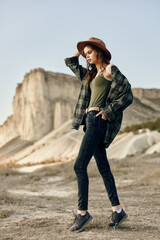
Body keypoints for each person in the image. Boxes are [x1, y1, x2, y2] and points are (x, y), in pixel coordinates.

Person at [64, 37, 133, 232]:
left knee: (79, 166)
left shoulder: (110, 70)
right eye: (85, 53)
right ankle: (118, 210)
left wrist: (109, 111)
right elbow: (70, 62)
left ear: (99, 51)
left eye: (90, 52)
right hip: (90, 122)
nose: (86, 56)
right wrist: (80, 48)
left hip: (98, 119)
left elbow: (128, 94)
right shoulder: (90, 75)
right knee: (103, 167)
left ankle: (82, 215)